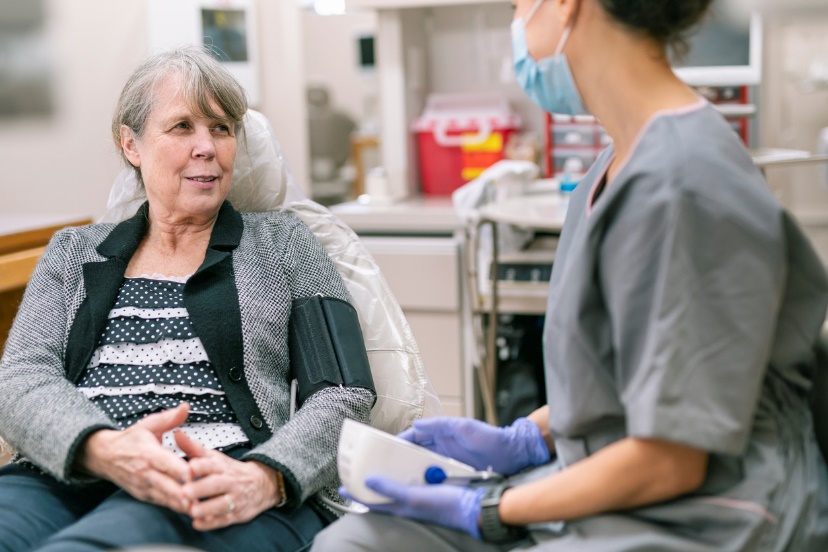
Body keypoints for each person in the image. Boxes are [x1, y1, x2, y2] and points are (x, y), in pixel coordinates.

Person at [311, 0, 828, 550]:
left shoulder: (685, 185)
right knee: (359, 538)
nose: (516, 22)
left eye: (518, 5)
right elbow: (639, 379)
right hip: (618, 479)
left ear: (564, 5)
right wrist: (528, 437)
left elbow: (672, 459)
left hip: (710, 514)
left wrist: (490, 508)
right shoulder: (618, 164)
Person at [0, 45, 376, 552]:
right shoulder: (73, 251)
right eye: (182, 127)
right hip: (70, 471)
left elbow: (344, 391)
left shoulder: (283, 244)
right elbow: (20, 378)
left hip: (216, 475)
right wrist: (103, 449)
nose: (207, 147)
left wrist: (268, 476)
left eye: (221, 129)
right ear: (131, 144)